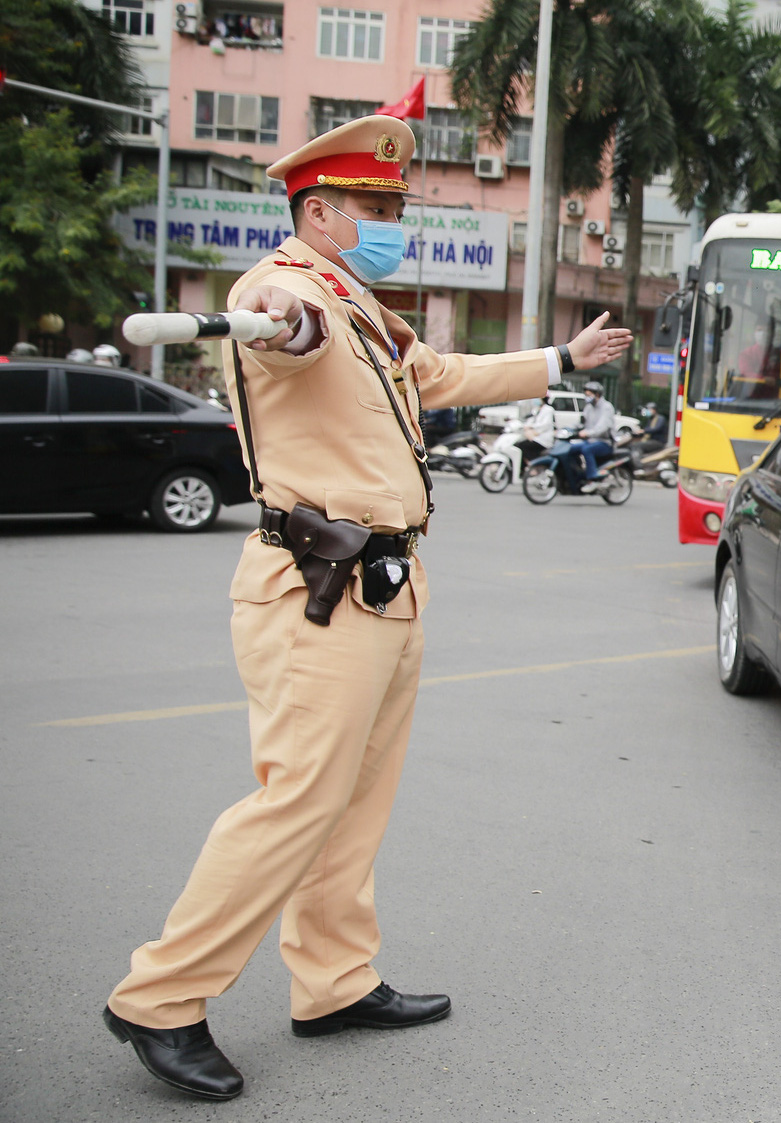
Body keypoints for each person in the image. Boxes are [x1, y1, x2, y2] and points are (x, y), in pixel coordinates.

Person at [100, 114, 631, 1102]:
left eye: (396, 206)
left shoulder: (363, 308)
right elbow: (279, 337)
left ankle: (333, 982)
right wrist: (287, 329)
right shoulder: (286, 292)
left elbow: (440, 376)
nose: (395, 222)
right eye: (376, 209)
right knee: (296, 797)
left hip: (385, 582)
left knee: (354, 803)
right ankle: (162, 995)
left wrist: (561, 360)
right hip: (317, 586)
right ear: (318, 212)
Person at [570, 380, 617, 495]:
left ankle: (593, 479)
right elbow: (581, 422)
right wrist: (569, 429)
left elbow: (602, 427)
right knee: (571, 449)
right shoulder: (588, 407)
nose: (587, 396)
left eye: (589, 394)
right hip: (590, 440)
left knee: (587, 450)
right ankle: (578, 475)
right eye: (586, 394)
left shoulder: (606, 407)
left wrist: (588, 433)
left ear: (597, 394)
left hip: (604, 442)